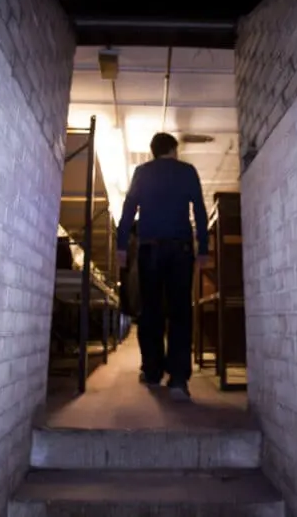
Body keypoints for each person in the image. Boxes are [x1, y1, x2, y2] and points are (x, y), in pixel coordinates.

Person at [116, 132, 210, 400]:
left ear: (154, 150)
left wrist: (122, 245)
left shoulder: (142, 172)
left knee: (151, 310)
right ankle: (179, 379)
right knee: (180, 311)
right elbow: (200, 212)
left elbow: (128, 208)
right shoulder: (187, 171)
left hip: (150, 250)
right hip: (180, 250)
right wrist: (202, 248)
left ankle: (153, 371)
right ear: (172, 149)